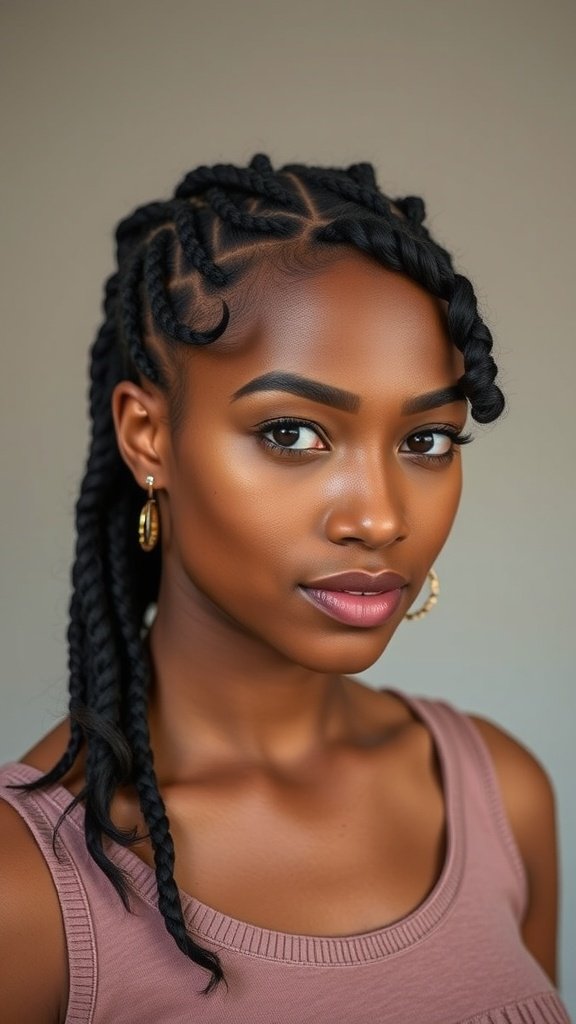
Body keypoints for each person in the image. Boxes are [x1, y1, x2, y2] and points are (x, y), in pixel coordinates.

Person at [0, 154, 569, 1024]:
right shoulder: (25, 891)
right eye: (294, 432)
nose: (380, 518)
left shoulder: (501, 794)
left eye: (427, 441)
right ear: (148, 436)